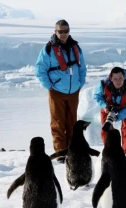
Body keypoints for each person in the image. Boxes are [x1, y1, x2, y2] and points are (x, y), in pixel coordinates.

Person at [35, 19, 87, 162]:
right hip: (56, 90)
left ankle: (72, 151)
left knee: (72, 123)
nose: (63, 34)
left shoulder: (76, 47)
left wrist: (80, 82)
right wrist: (49, 85)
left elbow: (82, 67)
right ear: (55, 32)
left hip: (73, 90)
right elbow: (40, 69)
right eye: (60, 31)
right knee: (58, 123)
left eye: (66, 31)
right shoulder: (48, 50)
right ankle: (61, 154)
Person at [94, 67, 126, 154]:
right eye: (115, 79)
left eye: (120, 78)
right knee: (106, 128)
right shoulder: (102, 84)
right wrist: (105, 106)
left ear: (124, 77)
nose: (118, 82)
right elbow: (97, 97)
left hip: (125, 108)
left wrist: (118, 117)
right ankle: (110, 150)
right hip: (108, 107)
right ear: (111, 78)